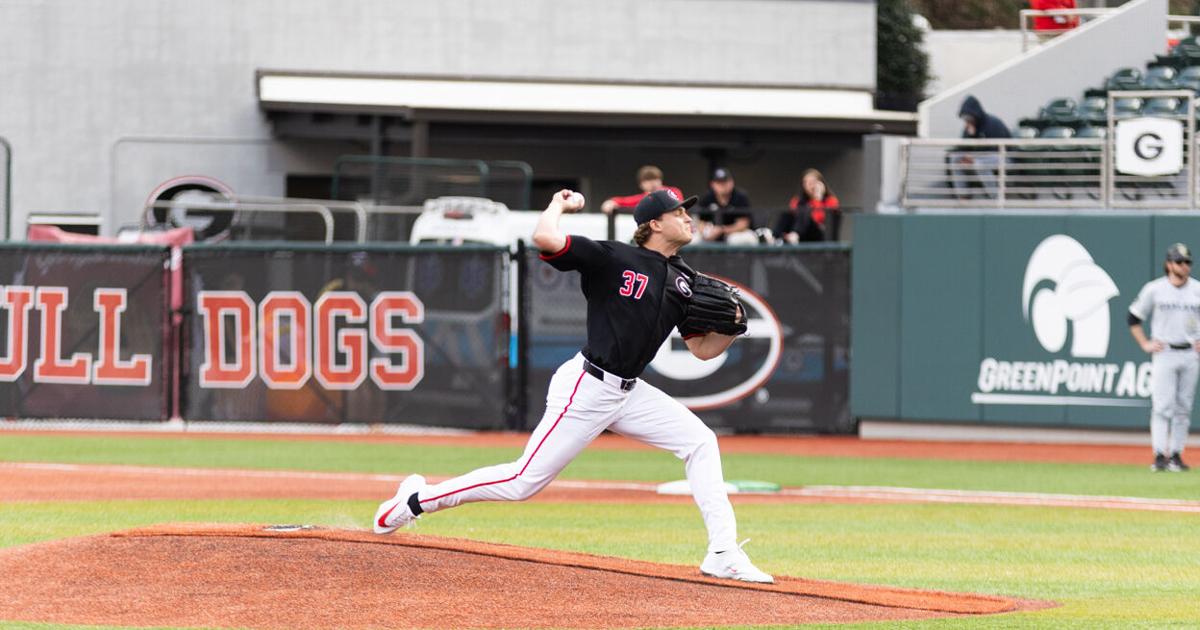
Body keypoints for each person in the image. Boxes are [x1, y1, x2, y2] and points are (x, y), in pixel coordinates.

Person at [374, 188, 774, 584]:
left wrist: (734, 329)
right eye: (679, 212)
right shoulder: (614, 257)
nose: (688, 218)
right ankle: (416, 500)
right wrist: (558, 205)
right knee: (521, 483)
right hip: (587, 386)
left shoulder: (685, 278)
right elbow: (545, 239)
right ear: (654, 223)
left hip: (630, 392)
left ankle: (723, 552)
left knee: (701, 442)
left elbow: (702, 350)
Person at [1128, 243, 1200, 473]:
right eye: (1180, 262)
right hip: (1165, 351)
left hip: (1189, 352)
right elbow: (1133, 317)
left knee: (1183, 408)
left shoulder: (1197, 289)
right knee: (1162, 407)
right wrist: (1144, 343)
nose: (1184, 266)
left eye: (1187, 262)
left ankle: (1176, 455)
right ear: (1169, 264)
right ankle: (1160, 454)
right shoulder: (1155, 289)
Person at [950, 95, 1012, 199]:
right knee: (955, 158)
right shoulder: (968, 127)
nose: (967, 120)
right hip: (980, 157)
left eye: (969, 117)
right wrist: (970, 135)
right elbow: (962, 148)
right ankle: (964, 195)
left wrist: (974, 158)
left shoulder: (993, 123)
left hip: (1003, 156)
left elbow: (997, 149)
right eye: (965, 118)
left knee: (979, 163)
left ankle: (996, 197)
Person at [773, 169, 840, 243]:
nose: (809, 185)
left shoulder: (831, 200)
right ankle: (774, 237)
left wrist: (817, 198)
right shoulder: (798, 201)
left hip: (818, 234)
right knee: (786, 215)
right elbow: (794, 219)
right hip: (801, 233)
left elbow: (820, 219)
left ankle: (795, 234)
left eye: (812, 182)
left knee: (805, 211)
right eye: (806, 182)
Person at [695, 167, 754, 244]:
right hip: (712, 232)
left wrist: (722, 230)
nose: (723, 185)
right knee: (695, 239)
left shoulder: (740, 197)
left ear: (732, 182)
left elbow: (743, 224)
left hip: (735, 233)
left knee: (737, 239)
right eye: (719, 182)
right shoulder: (707, 198)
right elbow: (700, 222)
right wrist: (706, 232)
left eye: (725, 182)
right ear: (712, 184)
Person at [600, 165, 684, 215]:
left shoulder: (673, 191)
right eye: (648, 180)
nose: (652, 183)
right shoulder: (644, 198)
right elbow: (623, 201)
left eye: (655, 179)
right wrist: (611, 202)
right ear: (641, 185)